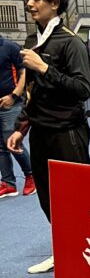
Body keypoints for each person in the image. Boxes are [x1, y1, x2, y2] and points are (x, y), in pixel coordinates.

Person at [6, 0, 90, 273]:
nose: (29, 4)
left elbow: (83, 90)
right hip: (40, 131)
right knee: (48, 197)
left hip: (68, 132)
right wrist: (21, 127)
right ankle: (64, 249)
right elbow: (32, 92)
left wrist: (44, 68)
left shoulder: (71, 42)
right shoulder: (33, 41)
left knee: (77, 197)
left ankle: (88, 250)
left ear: (54, 3)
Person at [0, 35, 35, 199]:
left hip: (11, 104)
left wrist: (13, 96)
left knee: (12, 142)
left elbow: (24, 73)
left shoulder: (9, 46)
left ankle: (31, 176)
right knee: (0, 148)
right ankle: (8, 184)